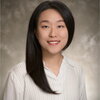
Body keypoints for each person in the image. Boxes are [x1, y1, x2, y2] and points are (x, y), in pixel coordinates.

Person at [3, 1, 87, 100]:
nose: (53, 34)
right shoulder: (18, 75)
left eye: (60, 26)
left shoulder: (77, 71)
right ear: (35, 32)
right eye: (45, 26)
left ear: (69, 29)